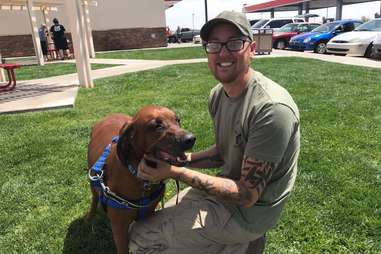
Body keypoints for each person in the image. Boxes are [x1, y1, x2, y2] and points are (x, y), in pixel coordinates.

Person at [129, 10, 300, 254]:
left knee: (138, 237)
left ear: (251, 48)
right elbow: (223, 152)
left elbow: (247, 195)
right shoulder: (218, 95)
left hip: (249, 213)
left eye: (234, 43)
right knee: (162, 213)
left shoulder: (271, 110)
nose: (222, 53)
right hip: (226, 189)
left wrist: (175, 171)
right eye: (214, 45)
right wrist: (180, 159)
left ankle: (243, 242)